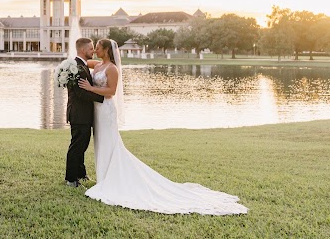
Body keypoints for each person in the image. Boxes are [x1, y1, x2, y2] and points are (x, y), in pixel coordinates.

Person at [78, 39, 248, 215]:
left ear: (106, 50)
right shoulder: (97, 65)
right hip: (97, 113)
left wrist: (90, 88)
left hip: (106, 111)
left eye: (97, 47)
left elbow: (111, 92)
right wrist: (71, 65)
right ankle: (104, 176)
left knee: (109, 143)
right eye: (94, 47)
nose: (95, 49)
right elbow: (81, 61)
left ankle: (111, 178)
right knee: (100, 143)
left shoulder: (112, 68)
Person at [65, 37, 104, 187]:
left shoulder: (81, 64)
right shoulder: (77, 67)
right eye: (91, 48)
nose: (93, 50)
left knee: (82, 144)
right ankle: (71, 179)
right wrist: (102, 97)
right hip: (79, 114)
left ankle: (81, 173)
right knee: (77, 146)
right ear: (82, 50)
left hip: (82, 113)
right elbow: (82, 93)